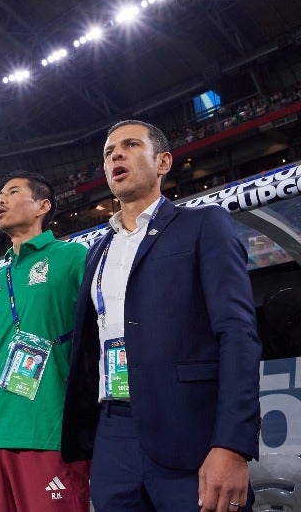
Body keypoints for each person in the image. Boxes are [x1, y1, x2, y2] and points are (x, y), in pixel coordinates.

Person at [61, 120, 262, 512]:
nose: (116, 154)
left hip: (190, 432)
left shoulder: (204, 225)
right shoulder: (97, 252)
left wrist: (232, 444)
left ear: (164, 162)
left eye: (131, 145)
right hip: (113, 432)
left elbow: (238, 334)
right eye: (109, 151)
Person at [0, 171, 90, 511]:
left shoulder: (72, 257)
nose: (0, 200)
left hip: (50, 430)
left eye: (12, 192)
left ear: (42, 206)